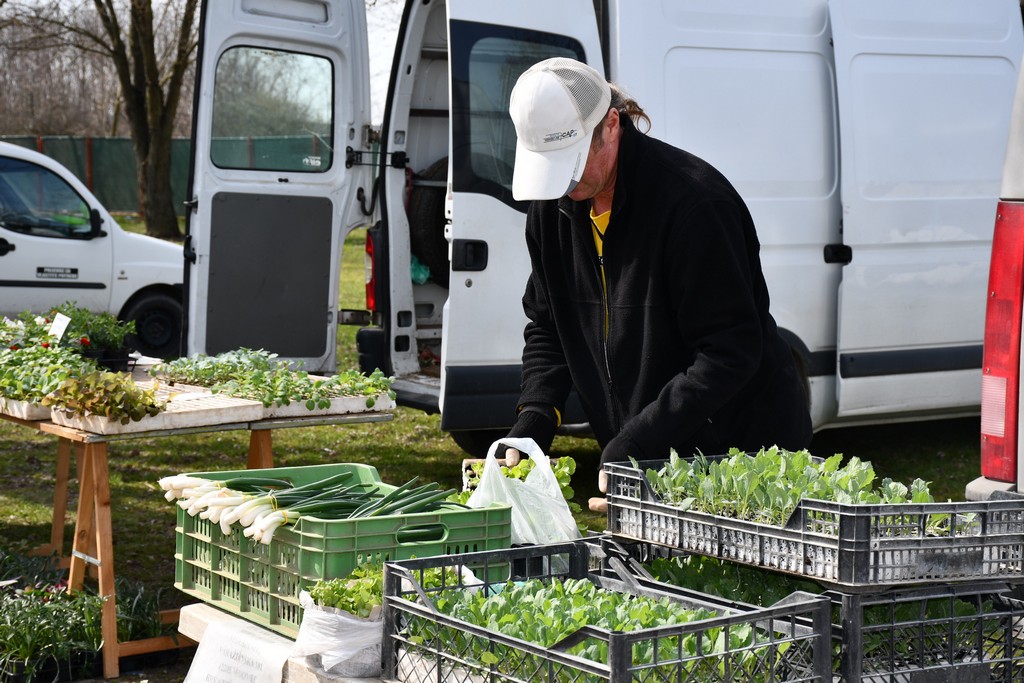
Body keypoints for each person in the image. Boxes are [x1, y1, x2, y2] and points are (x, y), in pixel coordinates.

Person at [502, 57, 812, 491]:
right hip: (649, 448)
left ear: (611, 125)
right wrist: (536, 414)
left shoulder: (694, 206)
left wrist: (638, 438)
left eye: (571, 162)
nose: (565, 184)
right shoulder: (552, 206)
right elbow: (550, 325)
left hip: (741, 453)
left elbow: (730, 352)